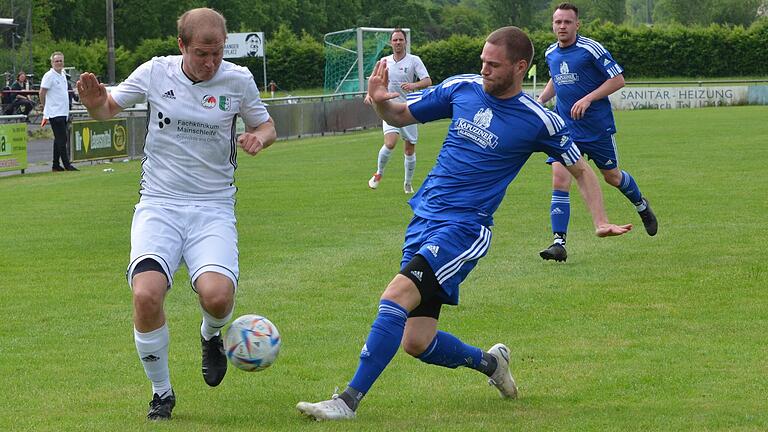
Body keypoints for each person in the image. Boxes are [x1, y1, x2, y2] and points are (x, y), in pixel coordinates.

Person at [296, 26, 632, 421]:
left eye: (494, 64)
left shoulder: (540, 120)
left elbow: (581, 171)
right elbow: (399, 113)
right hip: (424, 217)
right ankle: (492, 365)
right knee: (417, 342)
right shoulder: (462, 88)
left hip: (464, 229)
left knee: (395, 296)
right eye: (483, 62)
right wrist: (377, 101)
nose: (485, 69)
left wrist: (600, 220)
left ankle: (347, 401)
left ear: (520, 67)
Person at [76, 8, 276, 421]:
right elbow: (107, 110)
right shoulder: (154, 72)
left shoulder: (237, 80)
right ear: (181, 45)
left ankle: (211, 335)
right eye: (202, 53)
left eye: (217, 53)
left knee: (218, 298)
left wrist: (258, 137)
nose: (210, 63)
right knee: (146, 294)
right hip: (159, 204)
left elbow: (267, 125)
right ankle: (161, 393)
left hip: (213, 206)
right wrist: (96, 104)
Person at [536, 2, 657, 262]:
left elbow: (618, 79)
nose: (562, 26)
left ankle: (641, 205)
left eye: (567, 22)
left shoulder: (591, 49)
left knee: (612, 177)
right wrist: (541, 100)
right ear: (553, 24)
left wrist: (588, 98)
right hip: (566, 129)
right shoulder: (550, 53)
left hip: (597, 128)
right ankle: (559, 242)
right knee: (559, 177)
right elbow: (556, 80)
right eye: (558, 22)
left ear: (577, 24)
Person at [365, 28, 431, 194]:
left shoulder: (414, 60)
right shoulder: (384, 61)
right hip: (389, 108)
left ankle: (407, 184)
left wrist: (413, 85)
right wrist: (369, 95)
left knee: (409, 149)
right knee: (390, 143)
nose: (398, 43)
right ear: (391, 42)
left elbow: (428, 81)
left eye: (401, 40)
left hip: (409, 109)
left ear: (405, 42)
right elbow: (375, 81)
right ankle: (378, 173)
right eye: (395, 40)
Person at [40, 52, 78, 171]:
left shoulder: (62, 74)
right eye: (56, 61)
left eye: (61, 61)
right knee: (62, 139)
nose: (59, 63)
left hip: (63, 112)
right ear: (52, 63)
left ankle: (55, 165)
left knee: (58, 139)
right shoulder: (49, 75)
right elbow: (42, 92)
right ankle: (67, 164)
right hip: (54, 112)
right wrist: (45, 107)